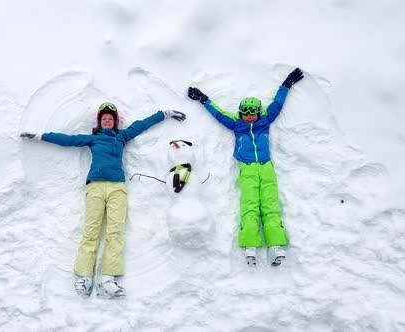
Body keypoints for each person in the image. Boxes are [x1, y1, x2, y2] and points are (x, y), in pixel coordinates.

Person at [20, 103, 186, 297]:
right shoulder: (93, 138)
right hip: (96, 186)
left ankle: (107, 279)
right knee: (91, 231)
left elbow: (142, 124)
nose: (107, 120)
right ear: (100, 122)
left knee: (115, 232)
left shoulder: (122, 136)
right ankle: (84, 276)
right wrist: (41, 136)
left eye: (110, 118)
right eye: (104, 118)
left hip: (117, 188)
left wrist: (164, 114)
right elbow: (67, 140)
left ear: (115, 122)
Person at [187, 68, 304, 267]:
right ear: (241, 114)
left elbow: (277, 104)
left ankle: (275, 244)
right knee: (250, 206)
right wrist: (203, 99)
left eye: (253, 113)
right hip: (248, 169)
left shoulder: (265, 121)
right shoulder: (236, 125)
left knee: (270, 206)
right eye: (245, 113)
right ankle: (251, 244)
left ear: (259, 113)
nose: (249, 116)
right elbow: (218, 113)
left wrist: (286, 85)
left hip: (266, 168)